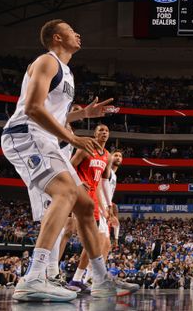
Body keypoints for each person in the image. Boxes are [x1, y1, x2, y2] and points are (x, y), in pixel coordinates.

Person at [1, 19, 139, 301]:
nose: (78, 33)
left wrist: (83, 116)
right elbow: (33, 108)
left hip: (45, 138)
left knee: (86, 207)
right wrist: (74, 138)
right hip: (25, 135)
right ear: (56, 38)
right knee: (64, 192)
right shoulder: (46, 61)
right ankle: (34, 277)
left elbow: (55, 112)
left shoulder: (66, 72)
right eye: (70, 30)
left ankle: (100, 280)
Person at [68, 124, 114, 290]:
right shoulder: (85, 148)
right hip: (79, 194)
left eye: (106, 130)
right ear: (95, 133)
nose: (104, 132)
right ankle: (52, 273)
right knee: (70, 232)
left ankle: (78, 279)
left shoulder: (107, 156)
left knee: (93, 241)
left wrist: (107, 206)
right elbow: (69, 166)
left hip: (93, 199)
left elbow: (103, 182)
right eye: (101, 130)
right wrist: (79, 182)